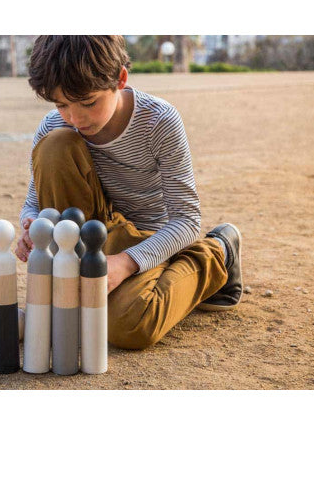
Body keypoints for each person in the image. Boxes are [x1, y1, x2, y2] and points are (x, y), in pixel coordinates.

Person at [15, 35, 242, 349]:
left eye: (89, 102)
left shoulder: (159, 121)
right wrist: (31, 225)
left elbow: (187, 221)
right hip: (90, 235)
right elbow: (33, 203)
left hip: (150, 240)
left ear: (120, 79)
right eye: (61, 104)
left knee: (130, 325)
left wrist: (126, 263)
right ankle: (75, 285)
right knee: (55, 144)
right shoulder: (55, 125)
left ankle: (217, 251)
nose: (75, 118)